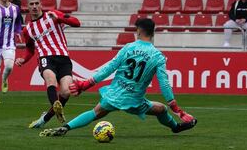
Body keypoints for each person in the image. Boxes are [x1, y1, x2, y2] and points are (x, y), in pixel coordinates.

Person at [39, 18, 197, 137]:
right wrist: (176, 108)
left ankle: (65, 128)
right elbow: (164, 84)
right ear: (153, 33)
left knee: (96, 112)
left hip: (114, 94)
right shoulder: (158, 56)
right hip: (134, 100)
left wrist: (87, 83)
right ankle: (175, 127)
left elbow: (109, 67)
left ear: (139, 32)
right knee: (161, 109)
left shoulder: (129, 47)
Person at [14, 0, 81, 128]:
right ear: (27, 7)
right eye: (31, 4)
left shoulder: (52, 15)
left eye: (36, 3)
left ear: (41, 4)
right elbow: (30, 49)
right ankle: (55, 106)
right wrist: (23, 59)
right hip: (45, 58)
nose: (34, 6)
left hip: (63, 58)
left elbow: (77, 23)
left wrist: (61, 18)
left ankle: (46, 117)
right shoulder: (28, 29)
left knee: (66, 92)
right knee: (50, 79)